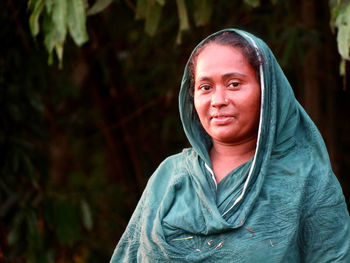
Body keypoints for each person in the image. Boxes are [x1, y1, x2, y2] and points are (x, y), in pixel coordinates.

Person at [110, 29, 350, 262]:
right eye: (205, 87)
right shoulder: (169, 177)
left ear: (267, 91)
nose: (218, 100)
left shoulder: (308, 180)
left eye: (234, 84)